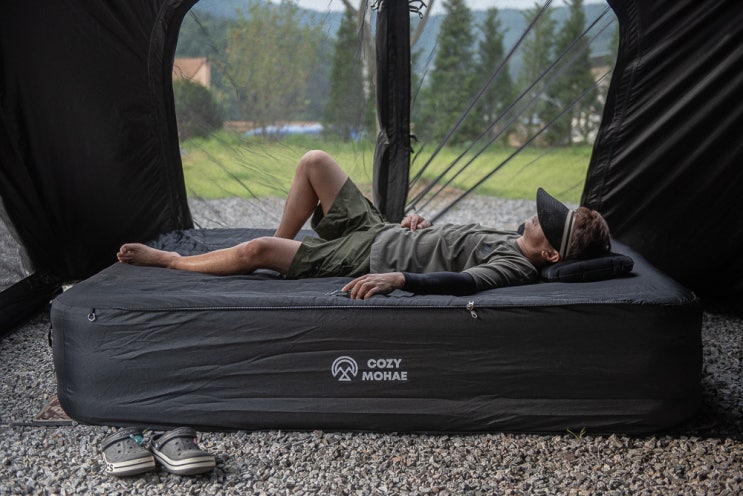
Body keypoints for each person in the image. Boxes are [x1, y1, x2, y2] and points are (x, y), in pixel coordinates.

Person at [117, 150, 611, 299]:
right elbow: (451, 246)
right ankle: (278, 250)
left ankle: (175, 261)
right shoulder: (517, 239)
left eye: (546, 224)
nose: (536, 216)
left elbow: (462, 282)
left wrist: (399, 277)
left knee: (255, 251)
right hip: (382, 228)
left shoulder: (515, 266)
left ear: (552, 255)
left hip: (367, 254)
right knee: (314, 162)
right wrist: (418, 224)